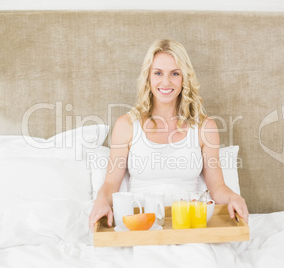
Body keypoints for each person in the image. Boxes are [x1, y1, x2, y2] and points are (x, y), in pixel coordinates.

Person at [89, 39, 249, 228]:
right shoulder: (127, 125)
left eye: (175, 73)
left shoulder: (205, 127)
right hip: (142, 227)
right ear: (148, 77)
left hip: (188, 225)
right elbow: (110, 185)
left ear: (184, 78)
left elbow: (217, 188)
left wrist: (234, 197)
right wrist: (100, 200)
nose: (166, 82)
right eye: (158, 73)